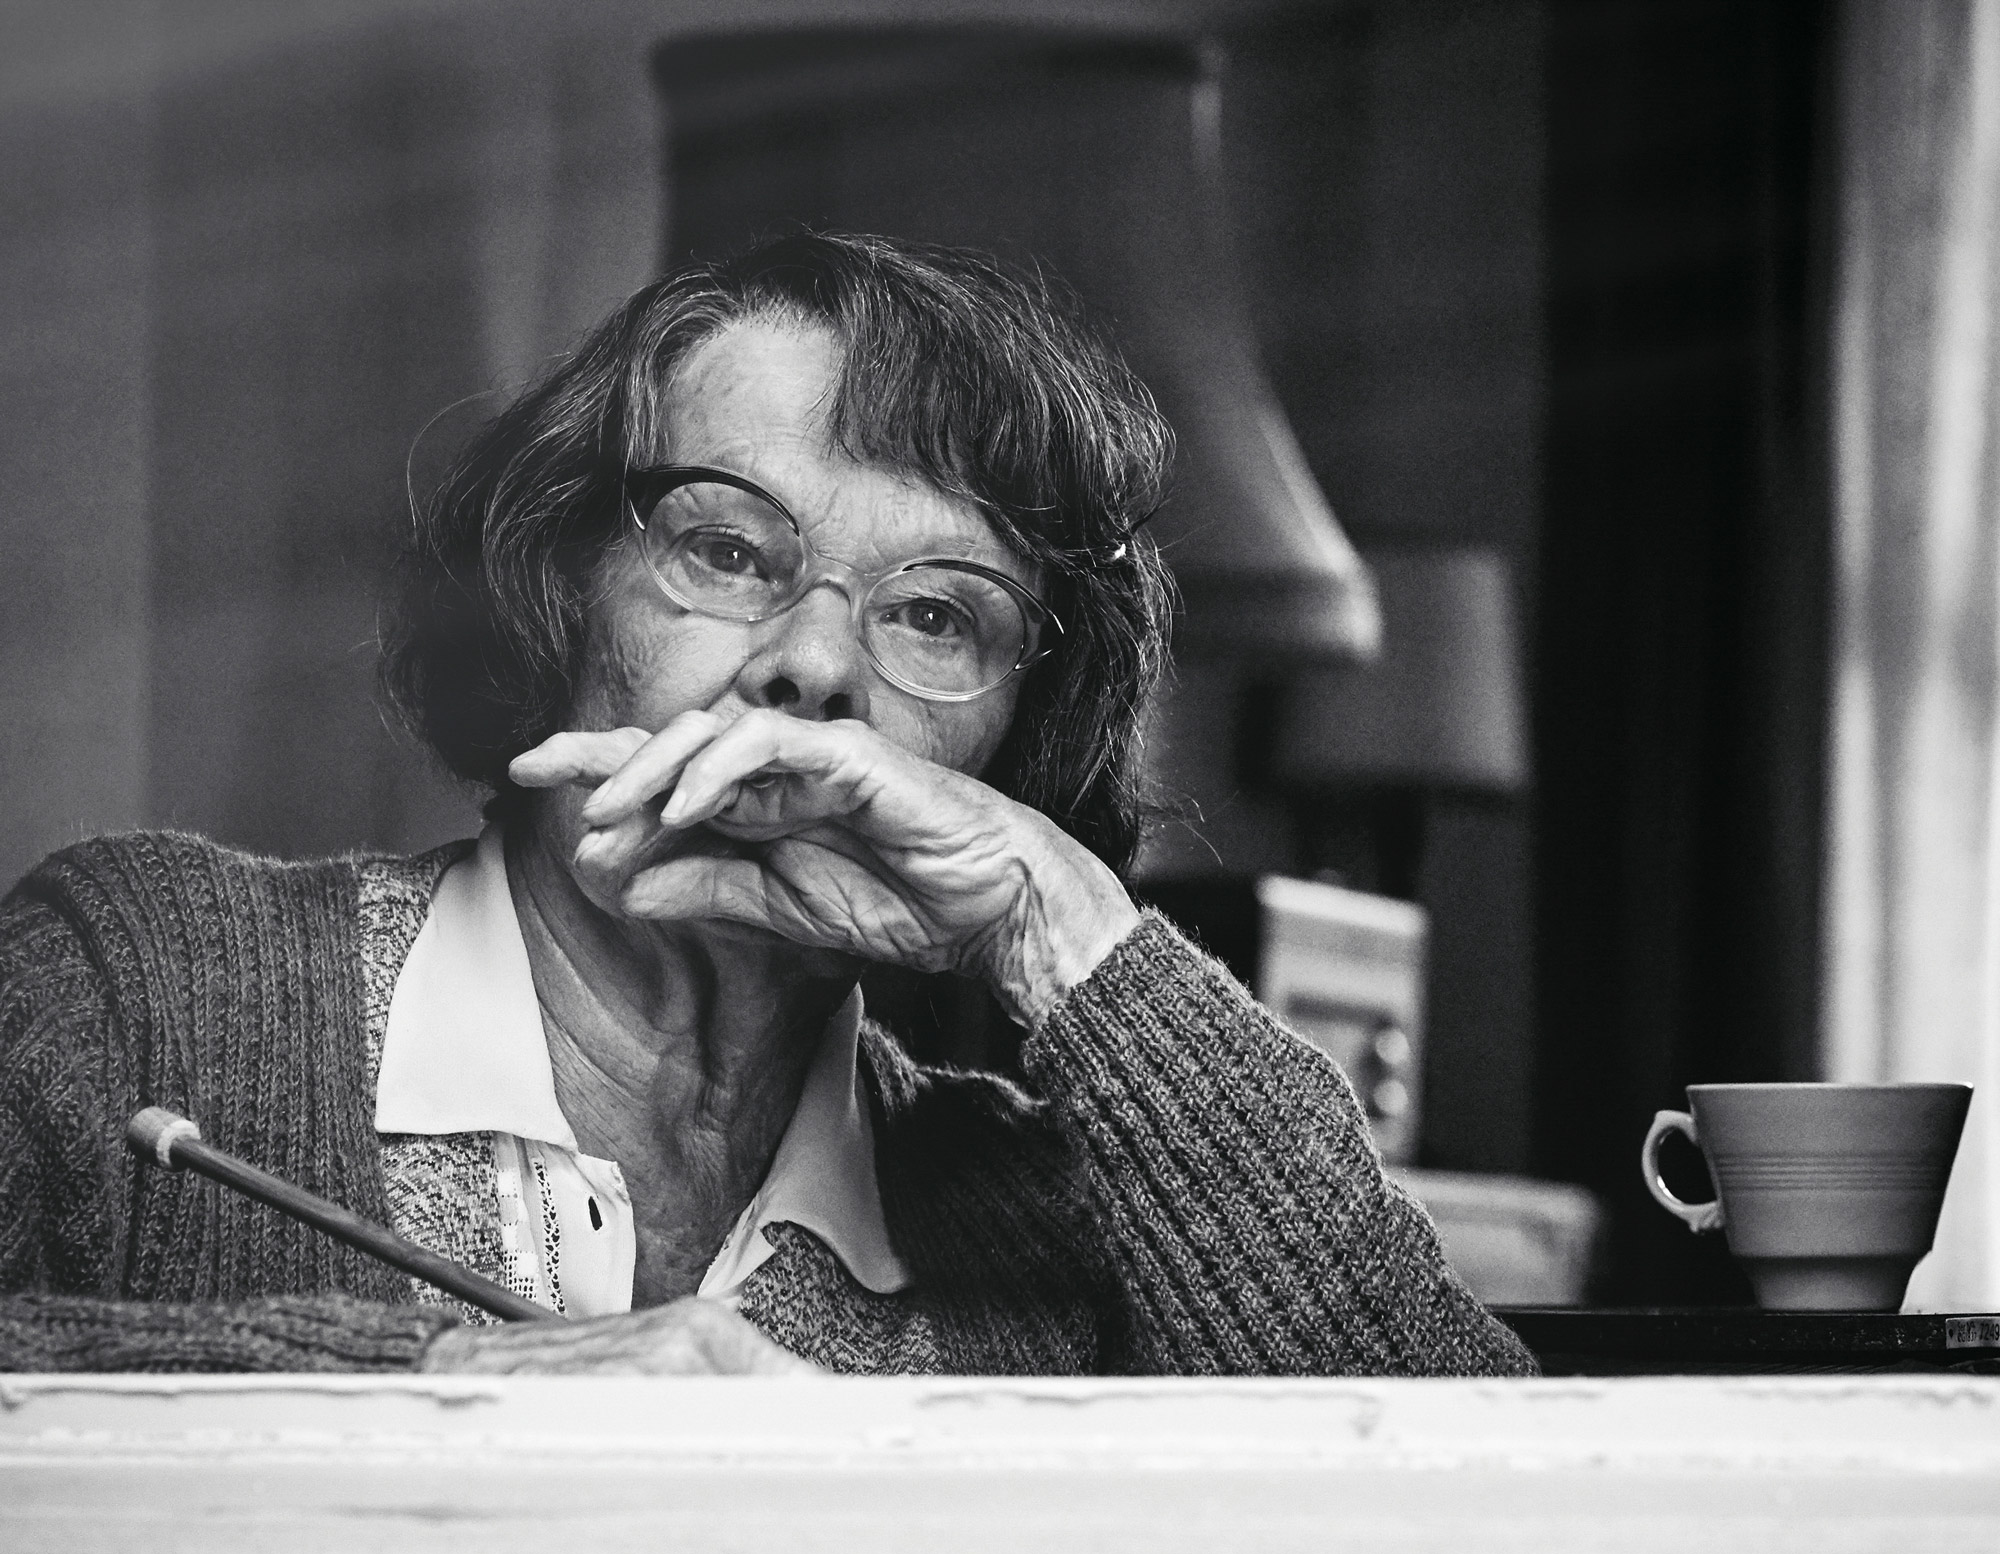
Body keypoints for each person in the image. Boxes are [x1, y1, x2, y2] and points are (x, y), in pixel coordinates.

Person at [0, 233, 1533, 1377]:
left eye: (937, 615)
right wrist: (456, 1391)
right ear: (553, 586)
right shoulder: (139, 985)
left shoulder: (1058, 1214)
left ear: (1011, 738)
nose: (812, 665)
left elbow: (1505, 1505)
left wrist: (1070, 937)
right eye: (730, 551)